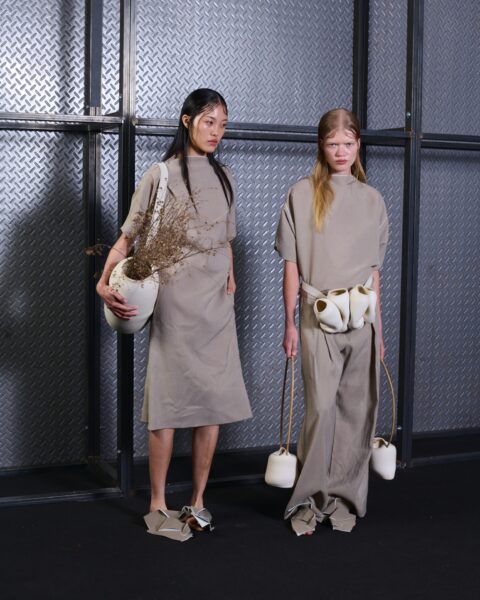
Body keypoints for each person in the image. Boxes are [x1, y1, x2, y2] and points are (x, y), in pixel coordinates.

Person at [97, 88, 252, 539]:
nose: (217, 132)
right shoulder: (160, 175)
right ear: (186, 121)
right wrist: (103, 282)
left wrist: (230, 277)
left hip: (216, 306)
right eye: (209, 122)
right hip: (174, 303)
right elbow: (128, 238)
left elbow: (225, 238)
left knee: (212, 405)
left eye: (223, 124)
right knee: (166, 404)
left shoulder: (225, 176)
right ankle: (157, 504)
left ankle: (198, 501)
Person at [275, 108, 389, 535]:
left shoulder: (372, 199)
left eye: (348, 143)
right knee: (321, 409)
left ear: (358, 145)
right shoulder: (302, 194)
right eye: (333, 144)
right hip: (316, 315)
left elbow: (374, 273)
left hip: (362, 318)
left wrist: (380, 331)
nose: (341, 151)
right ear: (321, 147)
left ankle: (343, 498)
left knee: (356, 411)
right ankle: (308, 499)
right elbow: (291, 266)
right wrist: (289, 323)